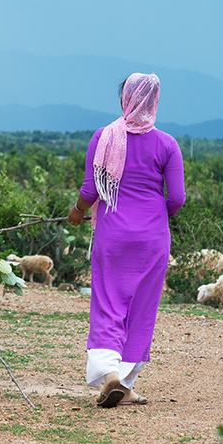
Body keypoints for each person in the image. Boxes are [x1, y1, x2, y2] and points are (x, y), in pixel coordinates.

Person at [68, 73, 185, 408]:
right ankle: (126, 382)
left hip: (113, 236)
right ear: (154, 102)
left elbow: (91, 191)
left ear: (126, 100)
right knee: (141, 308)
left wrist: (77, 212)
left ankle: (111, 377)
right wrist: (154, 214)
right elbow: (176, 198)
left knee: (108, 303)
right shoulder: (167, 145)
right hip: (152, 239)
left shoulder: (104, 137)